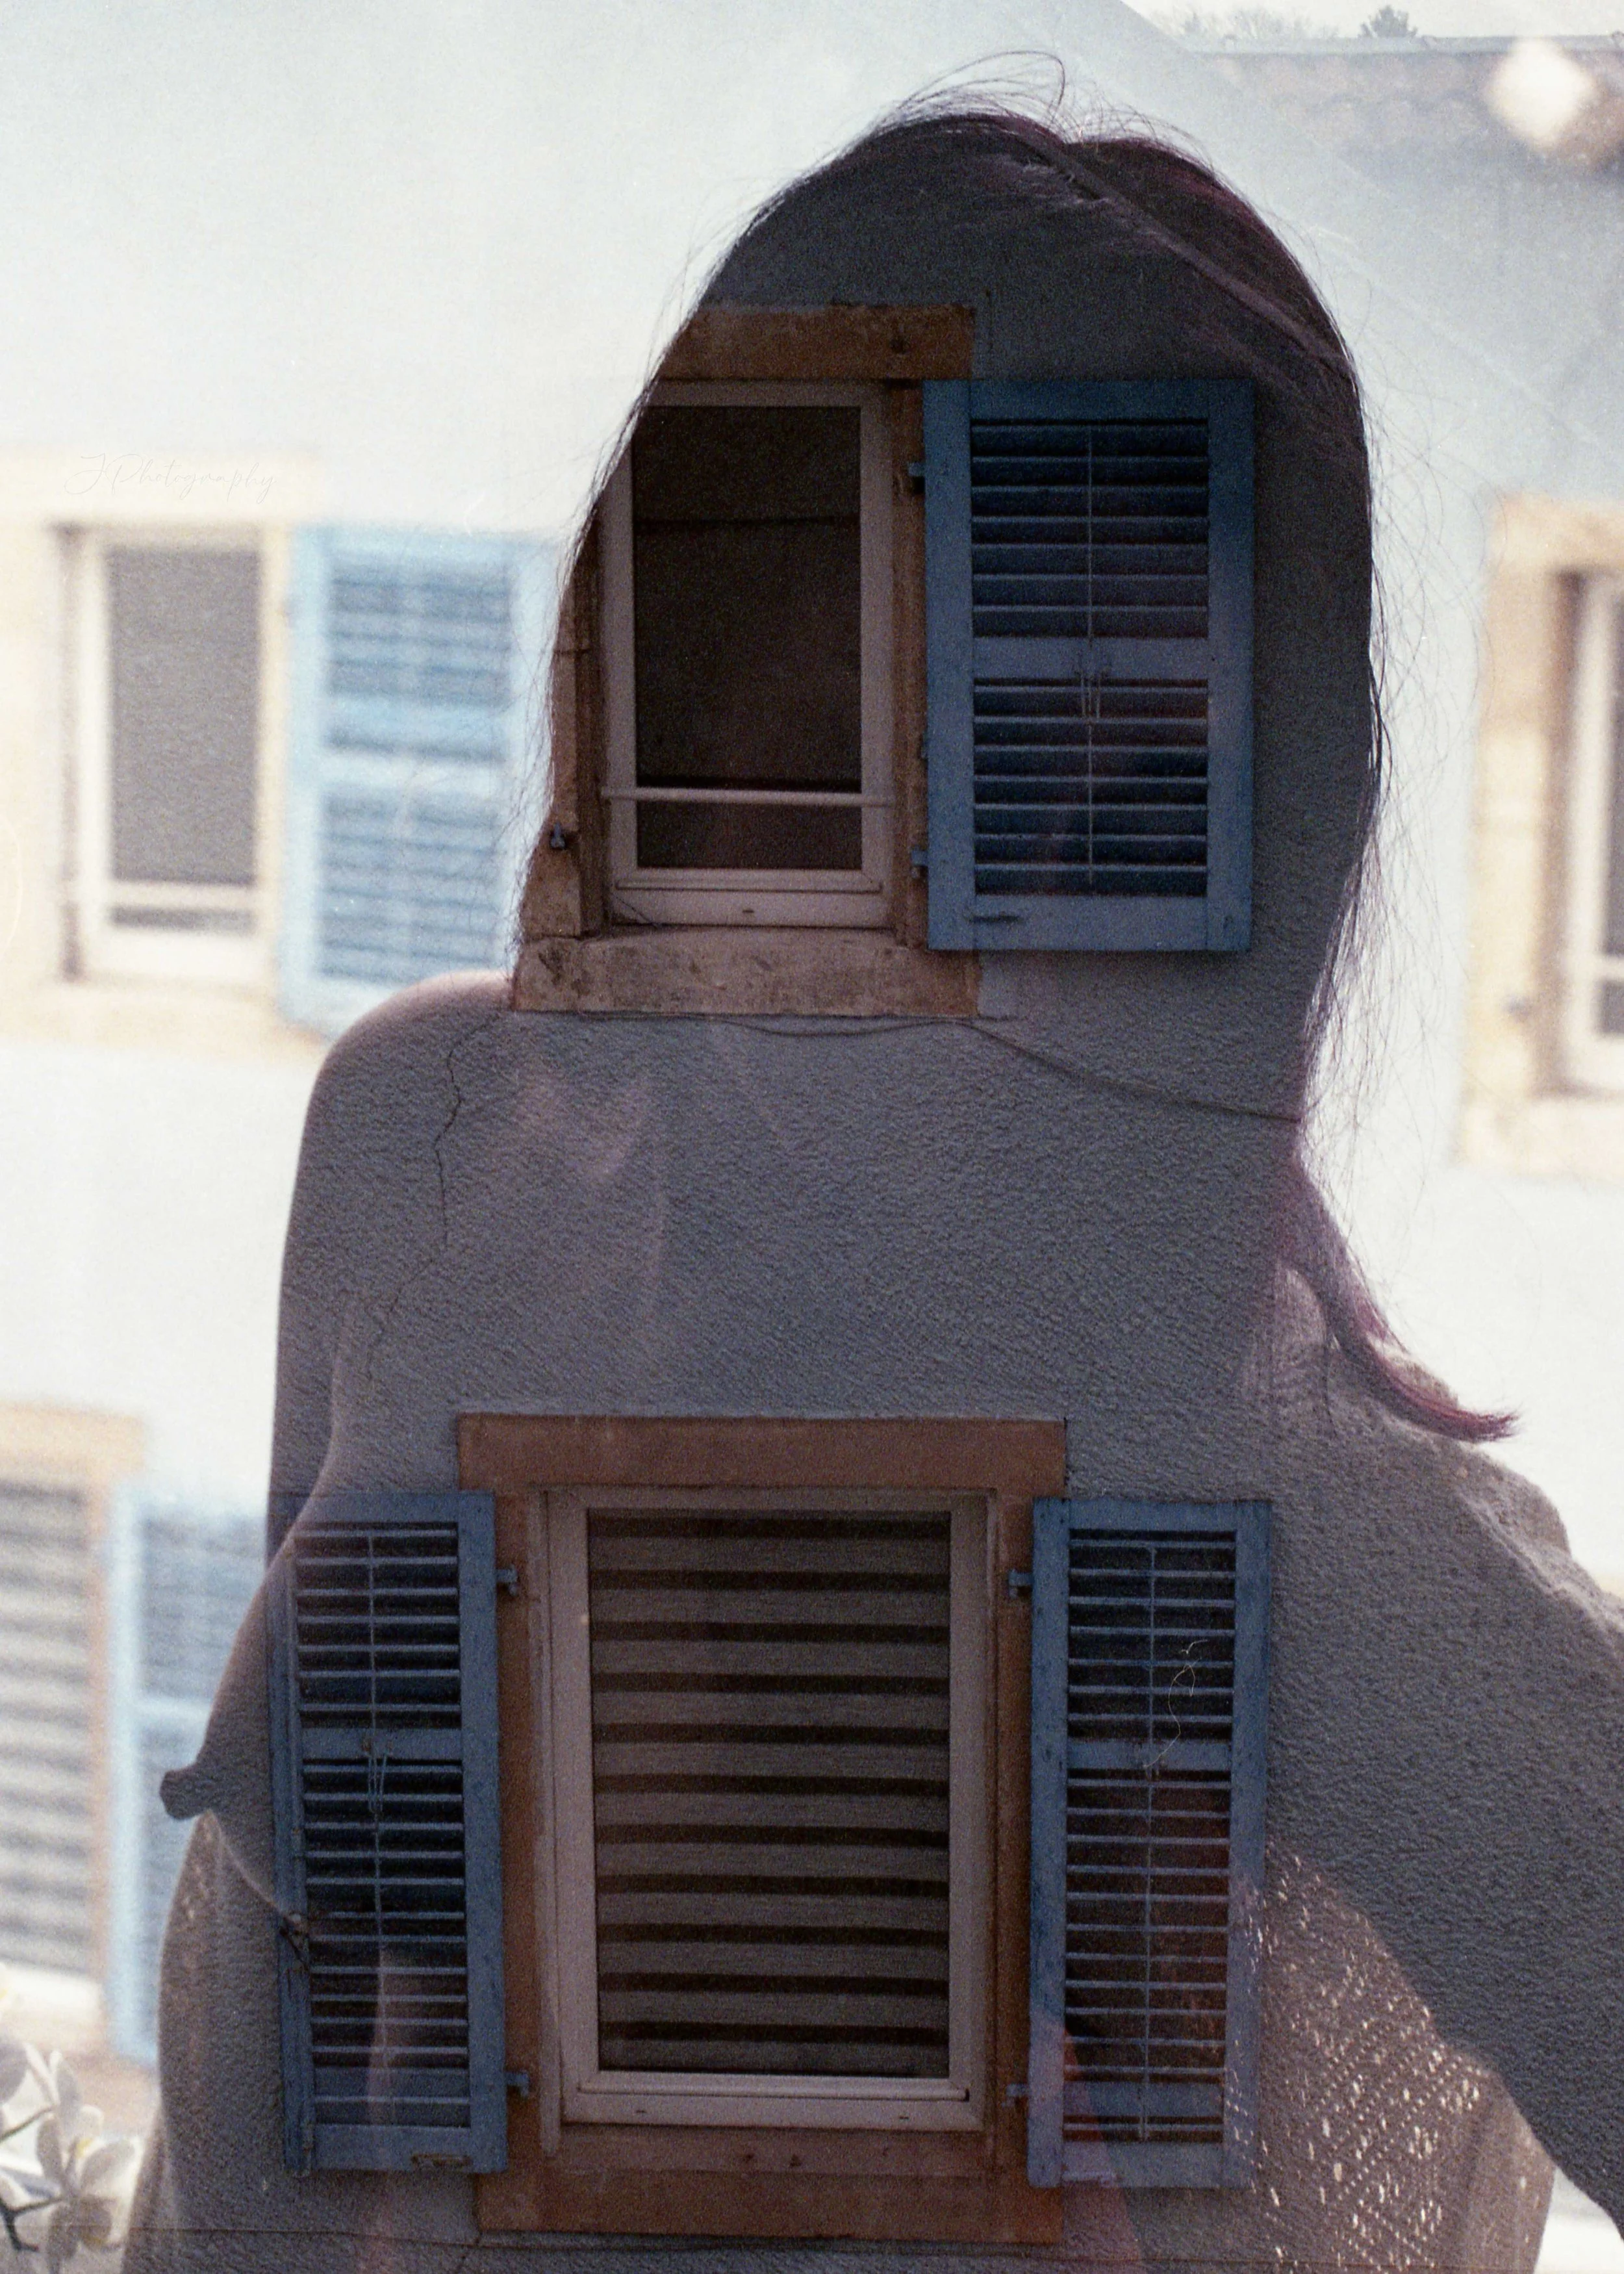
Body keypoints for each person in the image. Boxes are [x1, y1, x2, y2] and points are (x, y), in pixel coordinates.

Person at [125, 101, 1623, 2273]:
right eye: (831, 723)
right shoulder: (425, 1133)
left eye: (1092, 793)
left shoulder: (1290, 1508)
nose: (950, 920)